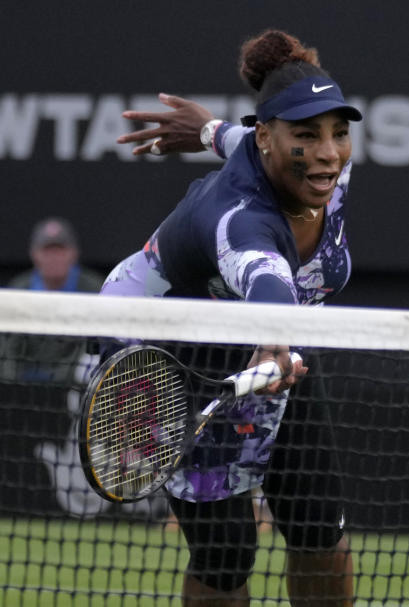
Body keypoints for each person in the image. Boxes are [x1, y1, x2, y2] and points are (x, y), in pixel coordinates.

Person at [105, 29, 359, 607]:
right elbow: (265, 277)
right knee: (227, 553)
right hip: (174, 347)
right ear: (268, 138)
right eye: (307, 135)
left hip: (270, 347)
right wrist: (273, 337)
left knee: (319, 523)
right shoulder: (240, 221)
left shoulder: (318, 171)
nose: (327, 153)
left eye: (339, 133)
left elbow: (235, 139)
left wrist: (203, 129)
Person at [2, 217, 105, 384]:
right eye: (47, 250)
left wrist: (61, 381)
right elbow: (9, 348)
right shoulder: (18, 289)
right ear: (34, 254)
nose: (54, 257)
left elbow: (91, 348)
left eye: (60, 250)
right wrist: (12, 385)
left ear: (73, 253)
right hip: (23, 390)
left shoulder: (94, 289)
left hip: (75, 387)